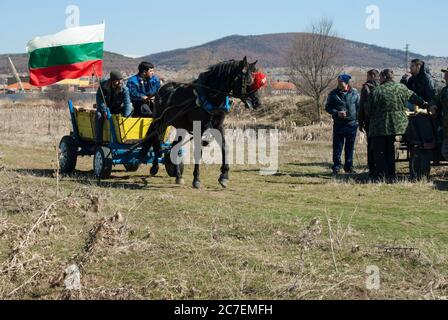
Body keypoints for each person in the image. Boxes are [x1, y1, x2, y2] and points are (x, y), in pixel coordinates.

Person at [365, 69, 427, 182]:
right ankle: (391, 175)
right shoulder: (401, 88)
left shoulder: (376, 91)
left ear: (383, 77)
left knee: (380, 152)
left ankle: (380, 176)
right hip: (398, 125)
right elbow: (415, 98)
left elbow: (368, 109)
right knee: (390, 150)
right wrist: (426, 105)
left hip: (379, 127)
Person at [325, 74, 360, 176]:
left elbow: (359, 107)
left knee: (350, 147)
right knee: (337, 147)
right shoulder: (333, 94)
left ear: (346, 83)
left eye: (341, 82)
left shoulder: (355, 93)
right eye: (338, 82)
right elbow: (328, 107)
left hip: (352, 124)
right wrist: (336, 113)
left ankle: (348, 167)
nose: (339, 84)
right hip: (339, 124)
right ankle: (336, 167)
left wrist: (358, 120)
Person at [95, 71, 133, 145]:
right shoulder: (103, 86)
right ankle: (98, 141)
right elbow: (99, 100)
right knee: (99, 115)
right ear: (112, 81)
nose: (119, 82)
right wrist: (104, 111)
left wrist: (126, 117)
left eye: (120, 80)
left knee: (131, 109)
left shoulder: (124, 89)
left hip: (117, 108)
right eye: (117, 81)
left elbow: (127, 103)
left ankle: (125, 137)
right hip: (106, 108)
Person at [358, 69, 380, 177]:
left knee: (371, 145)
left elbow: (361, 106)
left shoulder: (366, 88)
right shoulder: (382, 87)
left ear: (371, 76)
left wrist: (360, 122)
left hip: (369, 120)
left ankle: (372, 170)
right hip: (381, 121)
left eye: (367, 76)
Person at [429, 68, 448, 160]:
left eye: (446, 74)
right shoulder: (444, 90)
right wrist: (433, 106)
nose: (445, 76)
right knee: (445, 151)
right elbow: (435, 99)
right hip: (446, 128)